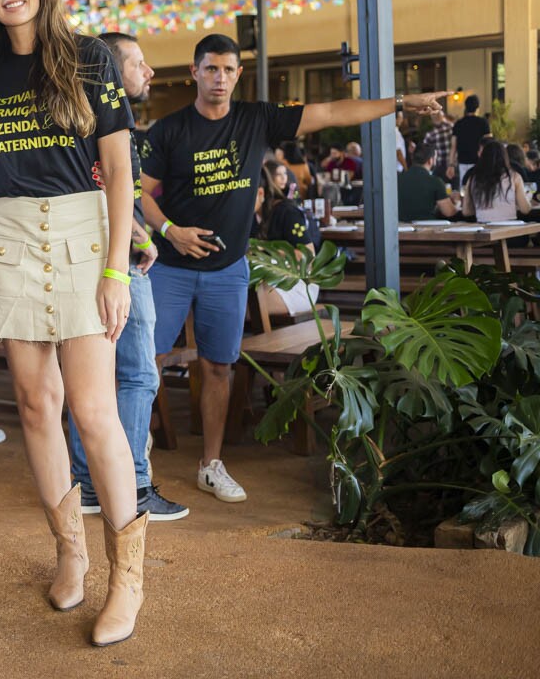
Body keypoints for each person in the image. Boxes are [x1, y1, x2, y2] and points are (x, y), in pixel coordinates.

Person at [140, 33, 446, 504]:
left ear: (237, 75)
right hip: (172, 268)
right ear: (194, 72)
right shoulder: (170, 130)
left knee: (218, 367)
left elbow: (332, 112)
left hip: (228, 270)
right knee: (149, 363)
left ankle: (211, 464)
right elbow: (142, 193)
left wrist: (403, 102)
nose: (219, 78)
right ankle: (135, 462)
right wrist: (169, 232)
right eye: (210, 69)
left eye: (227, 69)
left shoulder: (256, 119)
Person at [0, 0, 151, 647]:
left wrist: (116, 271)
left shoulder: (89, 57)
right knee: (35, 405)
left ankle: (128, 578)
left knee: (93, 408)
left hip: (82, 230)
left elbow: (119, 166)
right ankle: (69, 550)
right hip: (12, 234)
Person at [66, 32, 187, 523]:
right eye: (138, 63)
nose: (149, 72)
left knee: (91, 381)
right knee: (137, 374)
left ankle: (88, 483)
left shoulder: (82, 120)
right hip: (118, 266)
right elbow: (101, 189)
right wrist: (137, 236)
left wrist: (143, 227)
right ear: (111, 72)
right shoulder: (106, 121)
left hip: (103, 256)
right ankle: (132, 485)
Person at [252, 161, 319, 317]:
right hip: (265, 281)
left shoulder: (287, 212)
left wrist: (266, 250)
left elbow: (308, 256)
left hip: (296, 284)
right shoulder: (252, 217)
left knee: (236, 305)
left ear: (261, 193)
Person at [462, 139, 531, 223]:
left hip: (483, 229)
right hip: (509, 229)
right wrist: (528, 198)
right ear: (505, 156)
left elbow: (466, 212)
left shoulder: (473, 179)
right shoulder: (514, 177)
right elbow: (525, 209)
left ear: (483, 156)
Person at [397, 143, 460, 222]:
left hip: (400, 229)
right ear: (430, 160)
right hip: (427, 230)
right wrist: (456, 203)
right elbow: (449, 212)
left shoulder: (398, 179)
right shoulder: (435, 181)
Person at [451, 94, 489, 186]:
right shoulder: (483, 122)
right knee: (479, 188)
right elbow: (488, 144)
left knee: (464, 189)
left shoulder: (458, 124)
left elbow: (453, 147)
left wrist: (451, 165)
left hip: (463, 162)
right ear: (477, 108)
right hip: (479, 163)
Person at [421, 110, 455, 181]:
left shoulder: (430, 133)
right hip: (452, 164)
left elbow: (425, 150)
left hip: (439, 165)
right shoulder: (452, 127)